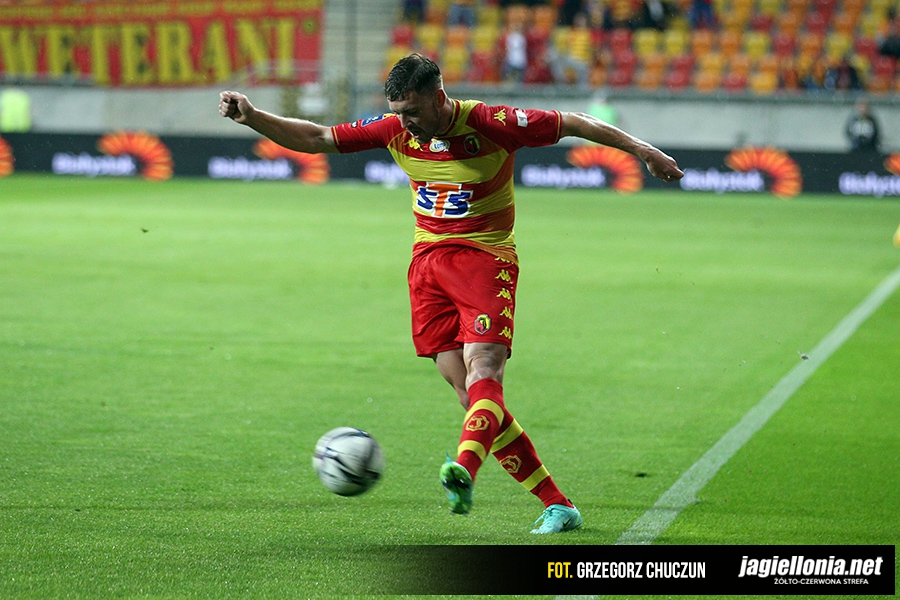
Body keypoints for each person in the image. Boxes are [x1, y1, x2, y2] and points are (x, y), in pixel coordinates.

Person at [218, 53, 683, 534]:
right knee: (469, 395)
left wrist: (642, 150)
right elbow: (317, 138)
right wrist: (253, 117)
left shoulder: (491, 122)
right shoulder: (395, 129)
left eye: (413, 111)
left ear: (438, 97)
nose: (405, 122)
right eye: (398, 112)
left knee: (485, 369)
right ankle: (558, 505)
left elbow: (574, 122)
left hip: (484, 259)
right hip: (427, 269)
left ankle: (464, 468)